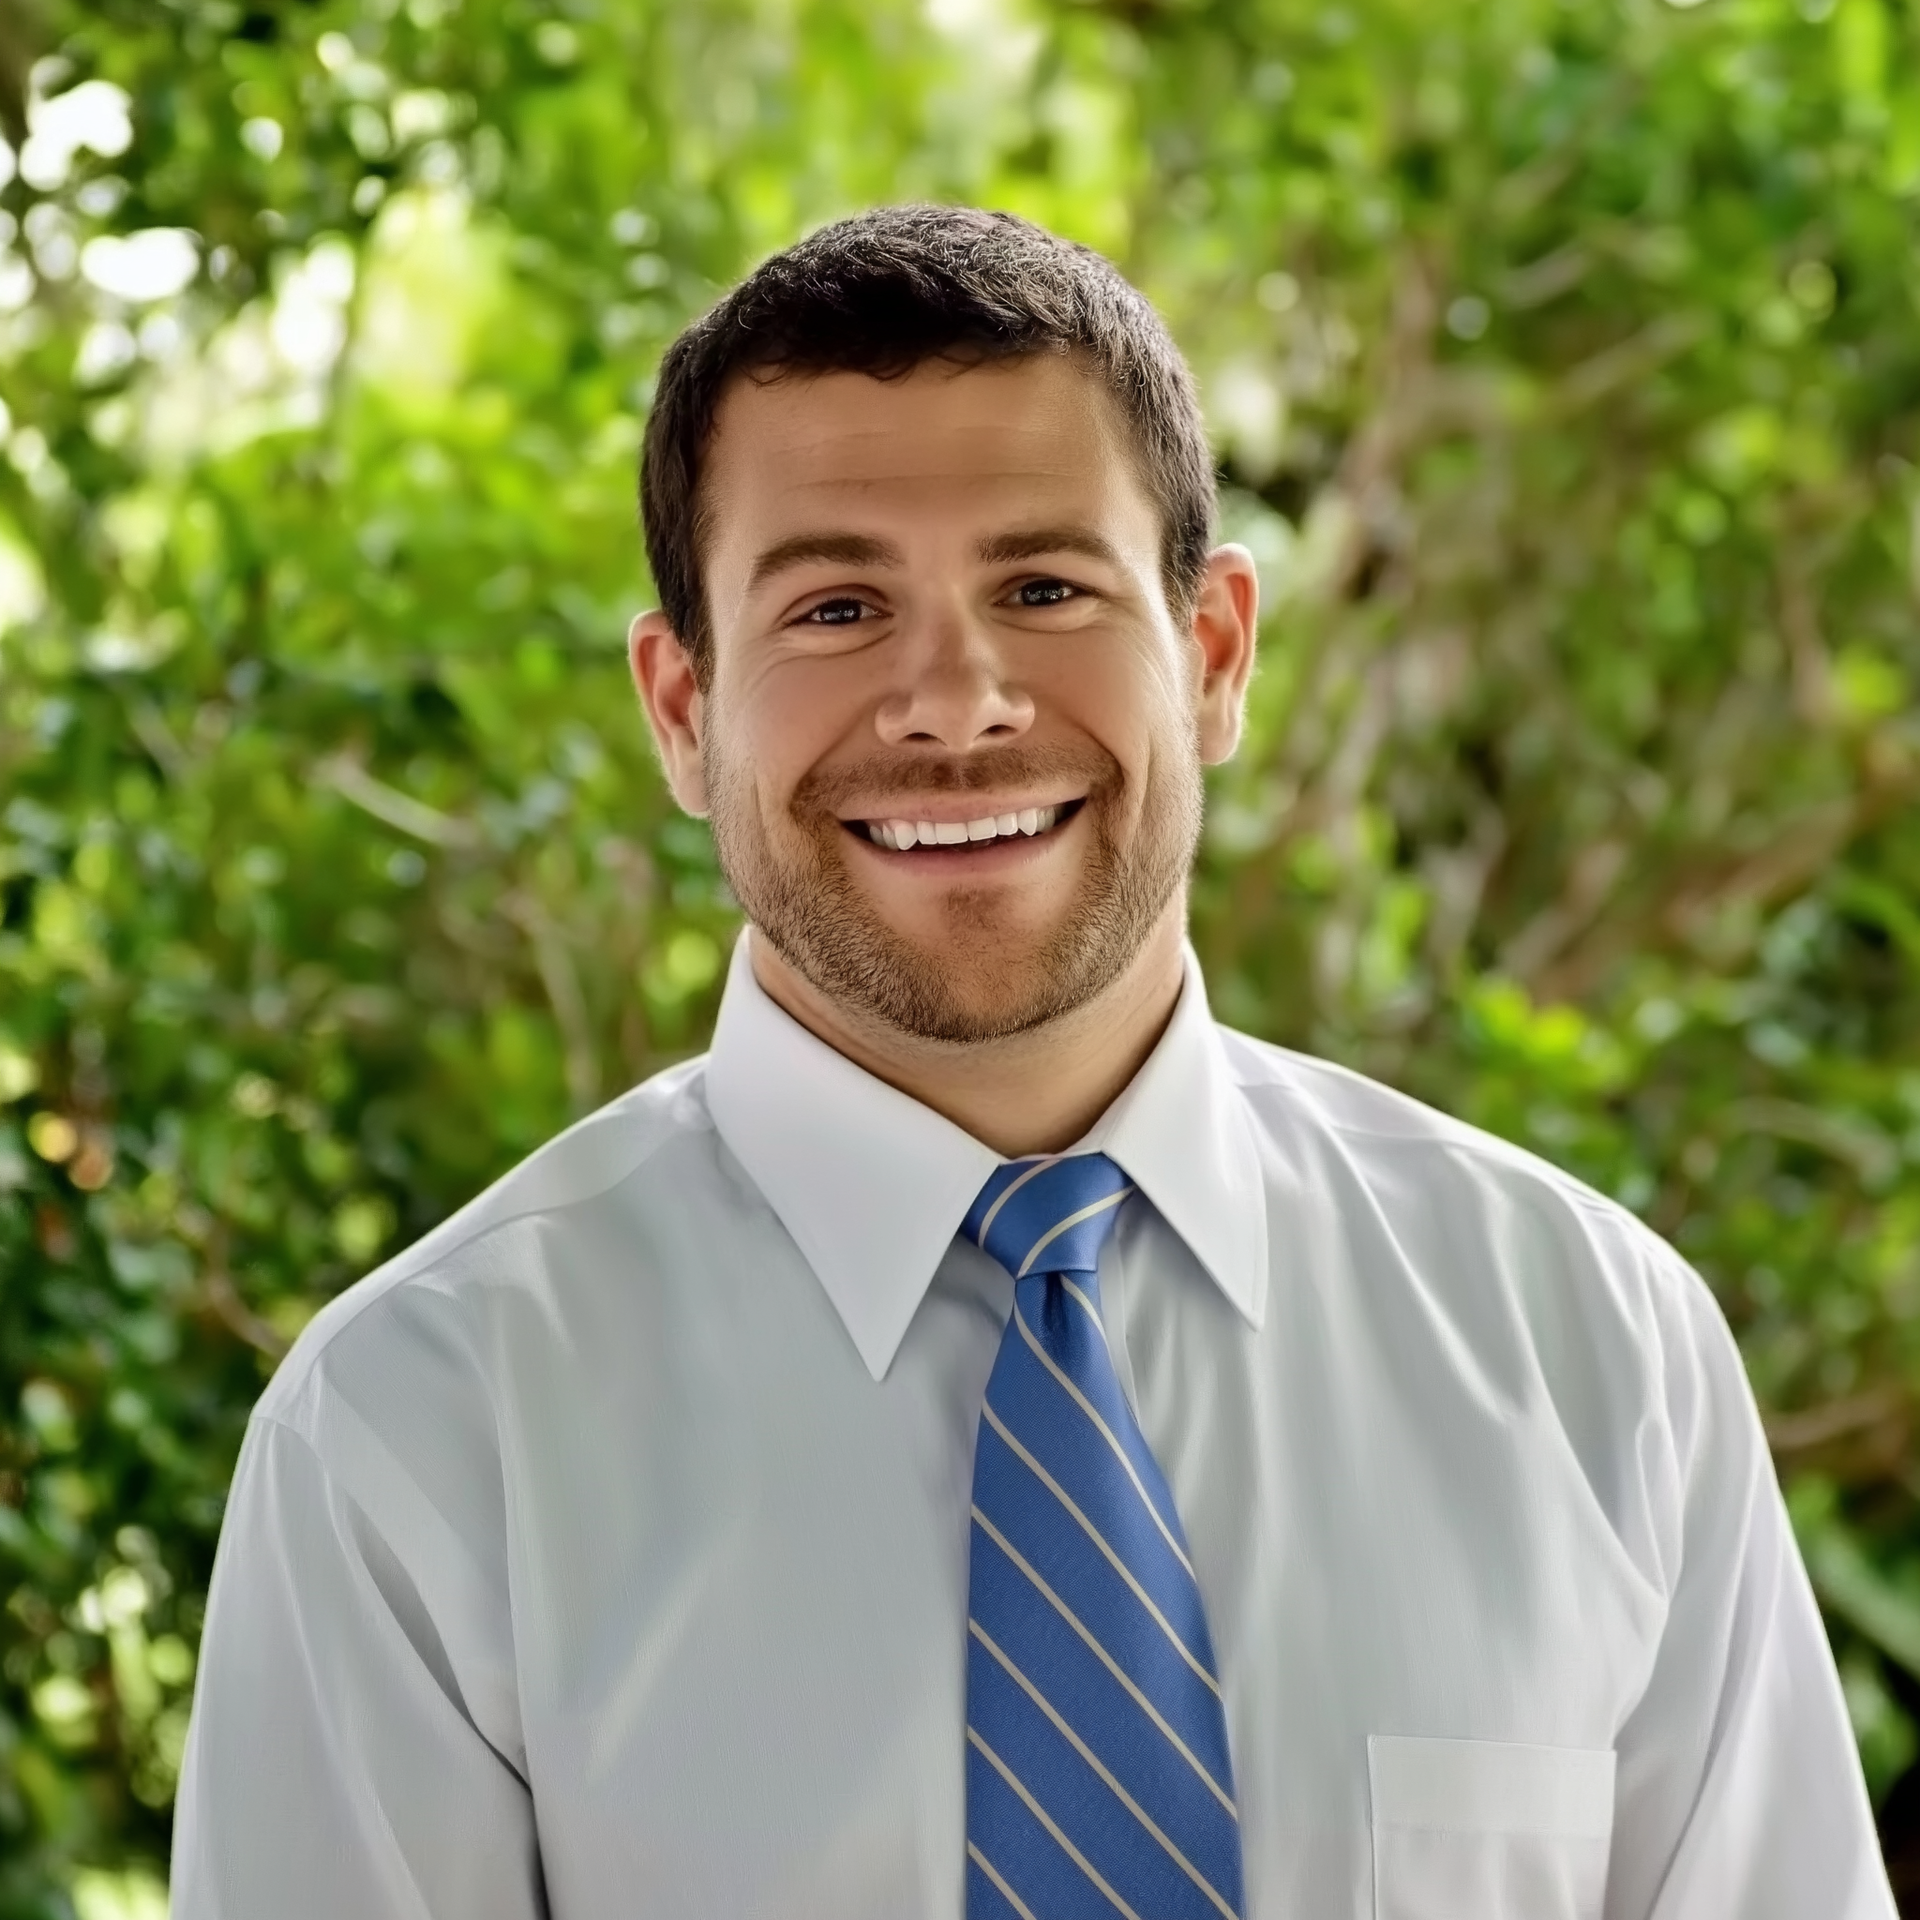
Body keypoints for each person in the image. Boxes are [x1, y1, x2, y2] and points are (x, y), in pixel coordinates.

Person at [171, 204, 1894, 1919]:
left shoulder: (1597, 1351)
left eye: (1045, 587)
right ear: (683, 710)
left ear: (1213, 655)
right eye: (837, 606)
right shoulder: (419, 1435)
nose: (956, 699)